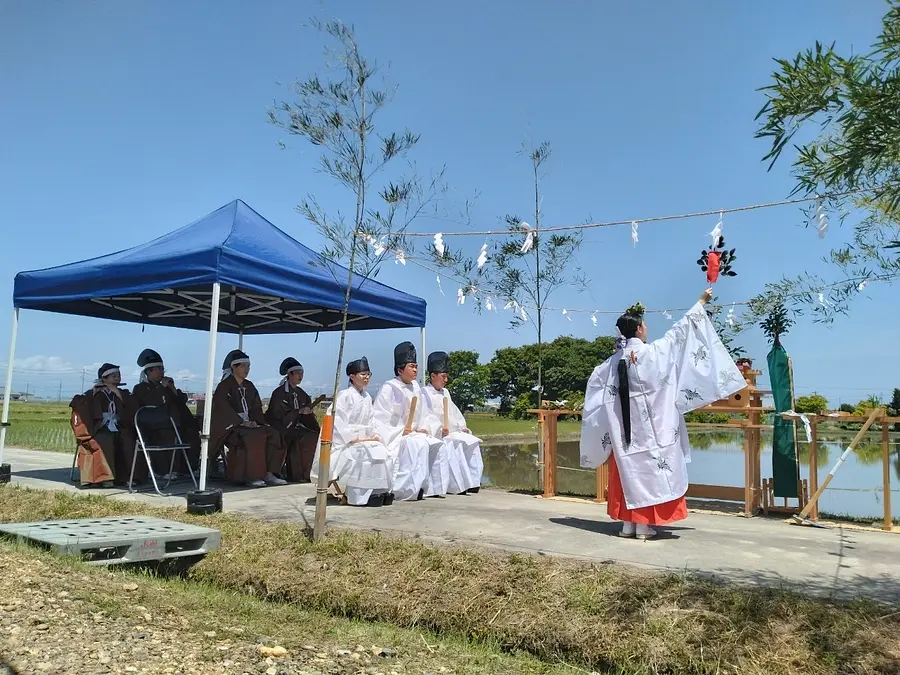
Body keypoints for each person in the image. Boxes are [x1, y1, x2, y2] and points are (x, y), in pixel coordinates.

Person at [580, 289, 745, 540]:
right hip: (653, 433)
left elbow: (595, 394)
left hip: (624, 435)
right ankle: (644, 526)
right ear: (638, 330)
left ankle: (627, 525)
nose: (646, 328)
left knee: (629, 472)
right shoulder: (653, 353)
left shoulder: (610, 364)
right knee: (652, 473)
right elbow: (680, 333)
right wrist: (700, 301)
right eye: (644, 325)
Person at [310, 357, 395, 506]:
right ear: (352, 376)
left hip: (364, 439)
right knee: (362, 454)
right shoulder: (344, 396)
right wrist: (352, 438)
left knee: (382, 451)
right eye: (363, 374)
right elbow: (336, 422)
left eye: (369, 374)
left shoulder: (367, 397)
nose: (367, 377)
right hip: (345, 442)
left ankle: (377, 492)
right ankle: (357, 497)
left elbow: (370, 421)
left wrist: (373, 435)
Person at [373, 341, 445, 501]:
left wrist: (422, 427)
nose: (415, 370)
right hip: (395, 435)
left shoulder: (415, 387)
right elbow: (381, 418)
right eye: (411, 366)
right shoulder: (389, 388)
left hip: (412, 433)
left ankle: (421, 486)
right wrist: (401, 431)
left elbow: (423, 414)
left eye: (416, 366)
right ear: (400, 370)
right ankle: (402, 489)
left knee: (432, 443)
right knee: (416, 444)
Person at [210, 349, 286, 488]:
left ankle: (269, 473)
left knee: (273, 434)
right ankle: (252, 476)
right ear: (234, 367)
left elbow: (256, 407)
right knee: (253, 437)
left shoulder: (249, 386)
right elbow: (222, 410)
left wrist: (256, 422)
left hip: (249, 424)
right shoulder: (224, 387)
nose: (247, 369)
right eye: (243, 366)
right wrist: (241, 422)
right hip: (232, 427)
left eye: (248, 366)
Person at [131, 348, 201, 480]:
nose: (161, 372)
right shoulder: (140, 388)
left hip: (174, 422)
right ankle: (164, 470)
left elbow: (180, 402)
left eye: (162, 369)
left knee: (191, 433)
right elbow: (149, 401)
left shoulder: (167, 387)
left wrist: (172, 389)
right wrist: (161, 388)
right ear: (148, 372)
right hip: (153, 424)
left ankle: (187, 469)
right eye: (157, 369)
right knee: (166, 435)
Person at [69, 363, 142, 488]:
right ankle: (105, 477)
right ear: (104, 378)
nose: (117, 378)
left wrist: (118, 394)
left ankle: (127, 477)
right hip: (100, 426)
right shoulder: (95, 392)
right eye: (113, 376)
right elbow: (82, 406)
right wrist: (93, 393)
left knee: (128, 439)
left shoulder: (123, 393)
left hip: (119, 425)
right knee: (105, 439)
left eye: (118, 375)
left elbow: (132, 407)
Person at [420, 351, 483, 495]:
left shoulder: (445, 392)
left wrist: (462, 426)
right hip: (437, 433)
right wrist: (438, 428)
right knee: (455, 442)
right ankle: (456, 485)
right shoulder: (424, 393)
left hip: (451, 430)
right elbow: (425, 416)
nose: (446, 380)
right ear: (433, 376)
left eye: (447, 376)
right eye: (443, 376)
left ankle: (473, 481)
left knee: (472, 441)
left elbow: (454, 412)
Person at [265, 357, 325, 482]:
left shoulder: (302, 393)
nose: (300, 376)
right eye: (298, 373)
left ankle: (308, 473)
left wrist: (308, 413)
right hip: (282, 426)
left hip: (298, 426)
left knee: (313, 437)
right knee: (289, 438)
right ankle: (292, 474)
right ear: (289, 374)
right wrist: (298, 412)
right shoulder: (279, 393)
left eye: (302, 373)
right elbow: (276, 414)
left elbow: (306, 413)